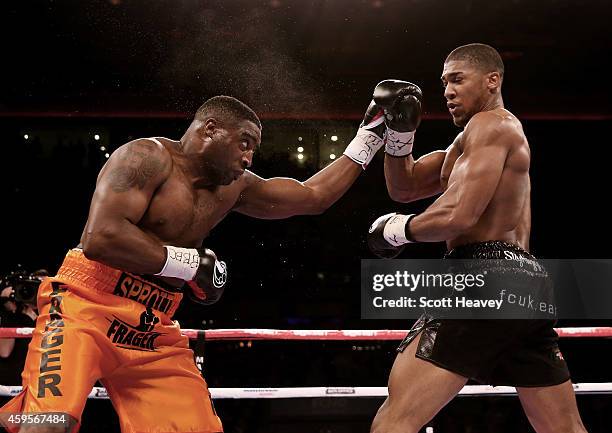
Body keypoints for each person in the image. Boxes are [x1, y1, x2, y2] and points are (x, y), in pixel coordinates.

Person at [0, 95, 387, 433]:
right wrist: (187, 264)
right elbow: (102, 237)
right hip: (84, 306)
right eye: (244, 143)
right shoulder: (146, 157)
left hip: (152, 327)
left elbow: (313, 196)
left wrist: (371, 135)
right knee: (48, 422)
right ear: (210, 129)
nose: (249, 156)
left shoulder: (235, 187)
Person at [367, 44, 587, 433]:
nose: (447, 91)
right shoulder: (465, 144)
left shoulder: (492, 125)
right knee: (563, 429)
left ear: (492, 81)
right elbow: (404, 187)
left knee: (394, 421)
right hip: (525, 286)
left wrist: (397, 230)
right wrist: (398, 133)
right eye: (443, 83)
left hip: (483, 276)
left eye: (457, 79)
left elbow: (459, 214)